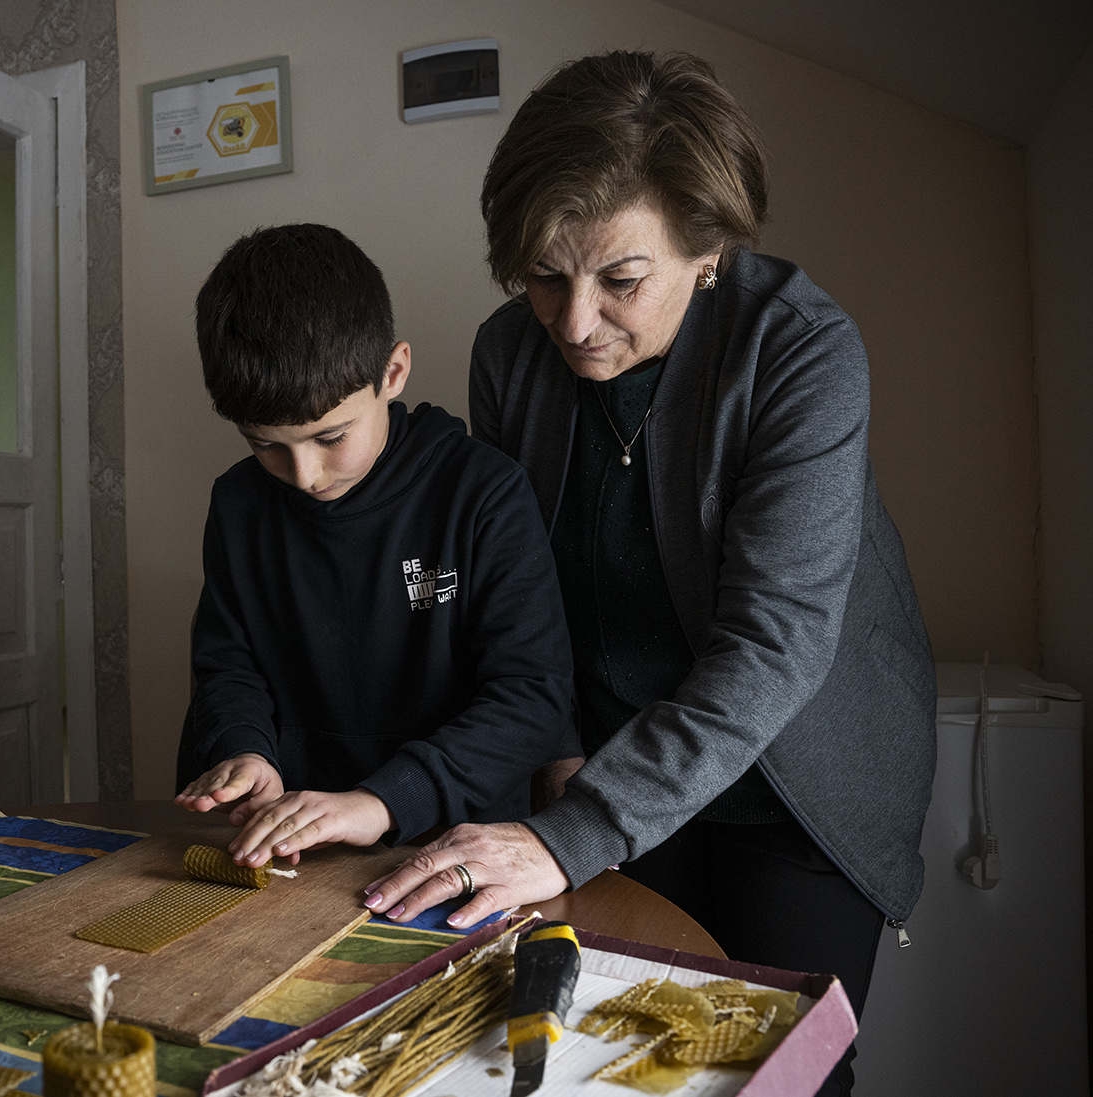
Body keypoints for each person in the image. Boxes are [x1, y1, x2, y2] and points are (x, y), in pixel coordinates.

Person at [361, 51, 936, 1096]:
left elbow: (773, 645)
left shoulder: (799, 348)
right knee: (606, 1060)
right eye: (544, 276)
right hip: (608, 766)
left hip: (796, 788)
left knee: (776, 1070)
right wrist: (558, 749)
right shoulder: (508, 352)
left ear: (708, 250)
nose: (574, 323)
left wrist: (569, 835)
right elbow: (520, 589)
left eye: (620, 281)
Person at [173, 224, 574, 867]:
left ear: (393, 372)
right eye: (265, 444)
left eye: (330, 438)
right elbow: (228, 665)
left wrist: (380, 803)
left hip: (450, 846)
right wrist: (243, 750)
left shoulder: (484, 492)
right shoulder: (238, 503)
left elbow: (531, 697)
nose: (304, 475)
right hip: (287, 848)